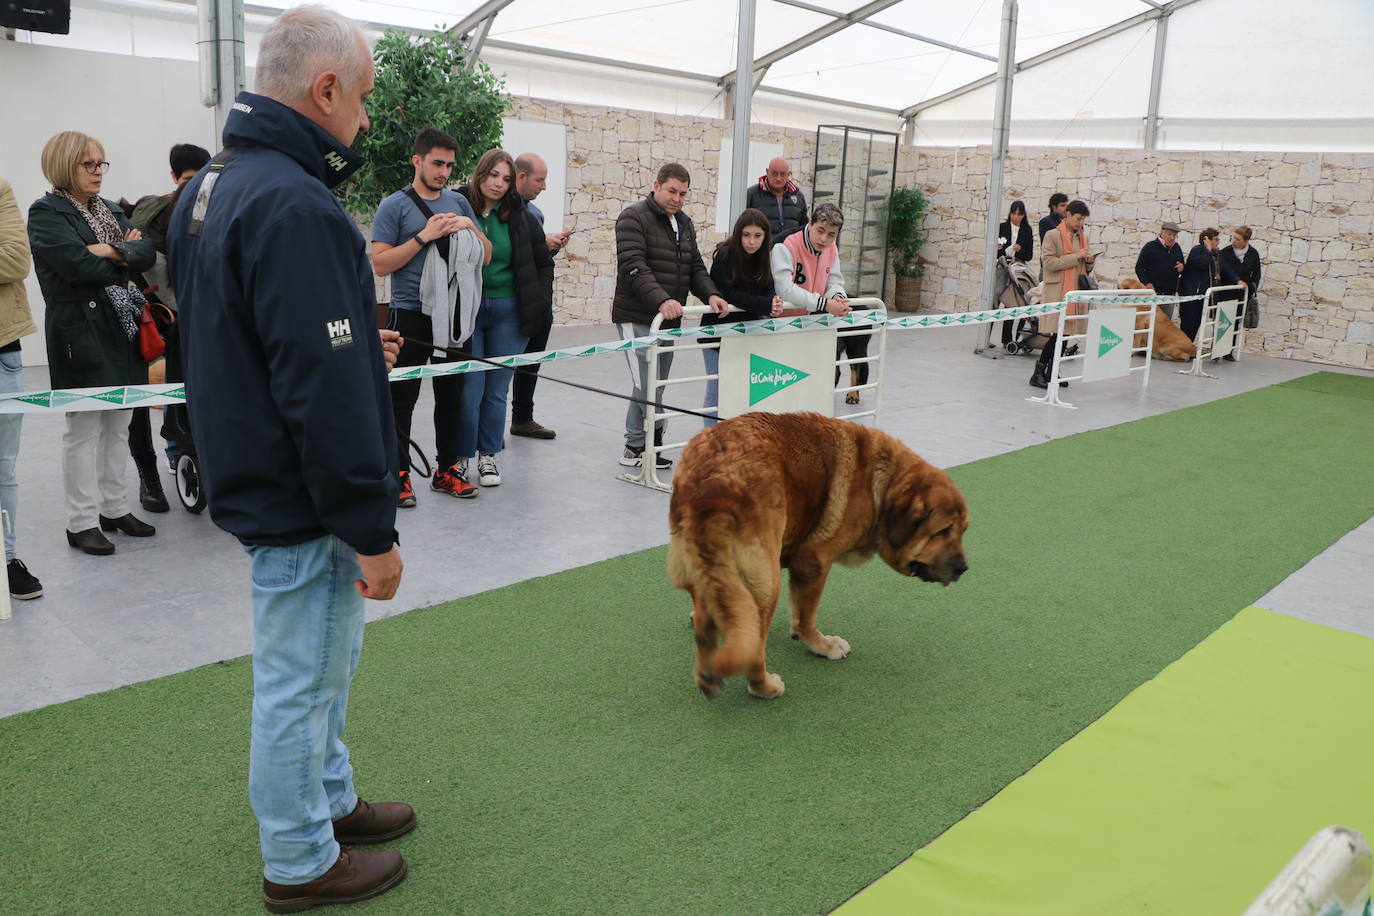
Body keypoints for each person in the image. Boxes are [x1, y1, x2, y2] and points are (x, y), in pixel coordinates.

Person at [166, 7, 411, 910]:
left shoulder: (210, 186)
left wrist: (349, 351)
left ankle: (332, 801)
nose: (365, 121)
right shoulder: (296, 201)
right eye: (364, 101)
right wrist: (370, 526)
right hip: (300, 495)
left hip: (259, 470)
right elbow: (319, 388)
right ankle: (301, 859)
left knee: (317, 666)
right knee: (301, 680)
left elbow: (252, 340)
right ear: (326, 90)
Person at [27, 131, 158, 556]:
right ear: (66, 164)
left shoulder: (109, 210)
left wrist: (108, 251)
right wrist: (121, 255)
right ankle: (81, 522)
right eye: (89, 164)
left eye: (102, 163)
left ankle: (114, 508)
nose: (98, 171)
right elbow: (77, 266)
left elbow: (148, 254)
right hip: (77, 330)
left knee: (119, 423)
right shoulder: (46, 212)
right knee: (83, 428)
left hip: (119, 326)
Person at [371, 127, 491, 506]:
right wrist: (423, 236)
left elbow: (486, 256)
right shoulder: (394, 206)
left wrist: (470, 226)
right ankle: (399, 474)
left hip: (455, 317)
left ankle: (447, 471)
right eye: (437, 163)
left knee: (453, 397)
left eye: (450, 165)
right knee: (400, 399)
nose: (444, 172)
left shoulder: (459, 202)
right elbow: (380, 264)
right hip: (409, 315)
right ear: (417, 161)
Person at [612, 162, 727, 469]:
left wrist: (712, 294)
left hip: (668, 322)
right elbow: (634, 267)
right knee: (645, 383)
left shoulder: (684, 223)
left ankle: (652, 442)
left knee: (658, 384)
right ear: (656, 185)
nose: (677, 198)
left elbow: (695, 269)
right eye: (672, 191)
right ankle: (635, 446)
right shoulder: (632, 217)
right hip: (637, 316)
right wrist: (662, 299)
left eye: (683, 193)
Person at [456, 148, 555, 487]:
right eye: (493, 175)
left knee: (496, 389)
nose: (498, 184)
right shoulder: (458, 205)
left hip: (509, 312)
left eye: (506, 178)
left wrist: (539, 303)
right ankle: (460, 459)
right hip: (468, 310)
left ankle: (488, 458)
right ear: (480, 174)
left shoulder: (522, 216)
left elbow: (544, 261)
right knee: (470, 388)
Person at [128, 142, 212, 507]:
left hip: (173, 314)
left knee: (176, 388)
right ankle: (165, 462)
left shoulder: (166, 208)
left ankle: (178, 453)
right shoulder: (162, 214)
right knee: (159, 390)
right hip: (161, 315)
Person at [0, 176, 43, 599]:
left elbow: (14, 261)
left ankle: (6, 559)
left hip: (1, 348)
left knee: (2, 467)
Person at [771, 203, 859, 400]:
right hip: (775, 326)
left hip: (808, 326)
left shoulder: (832, 248)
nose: (824, 239)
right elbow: (784, 289)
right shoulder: (786, 244)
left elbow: (834, 281)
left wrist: (838, 298)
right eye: (820, 231)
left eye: (831, 235)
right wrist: (825, 305)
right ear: (810, 223)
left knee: (804, 389)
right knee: (777, 391)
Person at [702, 208, 782, 424]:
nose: (751, 242)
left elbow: (768, 288)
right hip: (717, 336)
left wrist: (773, 302)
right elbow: (729, 294)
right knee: (716, 389)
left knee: (744, 389)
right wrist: (766, 304)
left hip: (748, 335)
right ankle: (711, 442)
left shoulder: (765, 257)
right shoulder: (726, 255)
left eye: (757, 236)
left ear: (765, 236)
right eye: (746, 235)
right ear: (738, 234)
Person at [508, 151, 567, 441]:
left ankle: (522, 418)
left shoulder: (536, 214)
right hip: (511, 302)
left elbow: (534, 257)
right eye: (540, 179)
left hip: (538, 301)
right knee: (501, 365)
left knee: (531, 361)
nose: (544, 186)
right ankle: (490, 429)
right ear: (521, 177)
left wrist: (550, 245)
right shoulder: (502, 213)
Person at [1031, 199, 1095, 389]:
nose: (1080, 223)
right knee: (1058, 333)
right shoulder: (1053, 235)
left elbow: (1083, 267)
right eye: (1078, 218)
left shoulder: (1081, 237)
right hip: (1058, 291)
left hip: (1074, 292)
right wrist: (1077, 257)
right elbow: (1049, 263)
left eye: (1083, 220)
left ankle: (1052, 371)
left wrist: (1089, 260)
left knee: (1065, 335)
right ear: (1068, 215)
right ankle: (1039, 372)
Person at [1217, 226, 1261, 361]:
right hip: (1226, 291)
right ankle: (1218, 349)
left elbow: (1257, 273)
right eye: (1233, 237)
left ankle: (1228, 350)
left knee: (1236, 321)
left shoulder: (1253, 254)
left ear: (1246, 241)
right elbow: (1222, 270)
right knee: (1223, 321)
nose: (1234, 241)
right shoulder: (1225, 252)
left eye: (1238, 239)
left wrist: (1252, 287)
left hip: (1243, 294)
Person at [745, 157, 808, 241]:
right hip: (763, 251)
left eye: (782, 174)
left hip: (790, 251)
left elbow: (804, 227)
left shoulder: (798, 196)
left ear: (788, 175)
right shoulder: (751, 194)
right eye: (774, 173)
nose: (778, 178)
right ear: (767, 172)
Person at [1179, 227, 1221, 342]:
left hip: (1202, 294)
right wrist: (1208, 249)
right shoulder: (1197, 250)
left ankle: (1188, 345)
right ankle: (1183, 346)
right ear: (1207, 240)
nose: (1218, 242)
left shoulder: (1214, 254)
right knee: (1188, 322)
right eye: (1216, 239)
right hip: (1191, 292)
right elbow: (1201, 264)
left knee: (1196, 322)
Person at [1134, 220, 1186, 311]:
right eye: (1169, 234)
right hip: (1153, 294)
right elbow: (1139, 267)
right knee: (1151, 323)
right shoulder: (1150, 246)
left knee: (1165, 323)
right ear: (1162, 233)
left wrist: (1182, 268)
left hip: (1170, 295)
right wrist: (1147, 283)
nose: (1172, 238)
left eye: (1174, 235)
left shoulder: (1177, 248)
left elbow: (1182, 265)